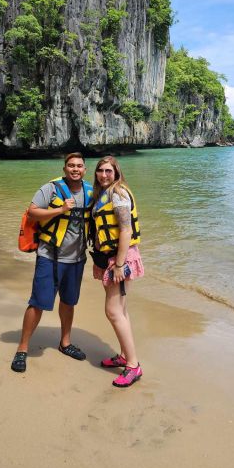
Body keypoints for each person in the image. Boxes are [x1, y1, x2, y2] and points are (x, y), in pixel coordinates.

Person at [11, 152, 93, 373]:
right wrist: (61, 209)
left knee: (69, 301)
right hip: (50, 256)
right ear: (64, 169)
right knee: (38, 302)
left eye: (79, 166)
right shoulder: (51, 188)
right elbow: (32, 212)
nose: (75, 169)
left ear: (85, 169)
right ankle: (22, 348)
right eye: (71, 166)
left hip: (76, 259)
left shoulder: (90, 191)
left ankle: (65, 342)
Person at [91, 155, 144, 388]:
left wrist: (119, 264)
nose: (104, 175)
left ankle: (133, 365)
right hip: (109, 258)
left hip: (119, 259)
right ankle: (124, 355)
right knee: (120, 310)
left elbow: (125, 231)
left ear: (116, 173)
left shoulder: (118, 193)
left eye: (108, 171)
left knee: (112, 312)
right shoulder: (103, 194)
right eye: (100, 171)